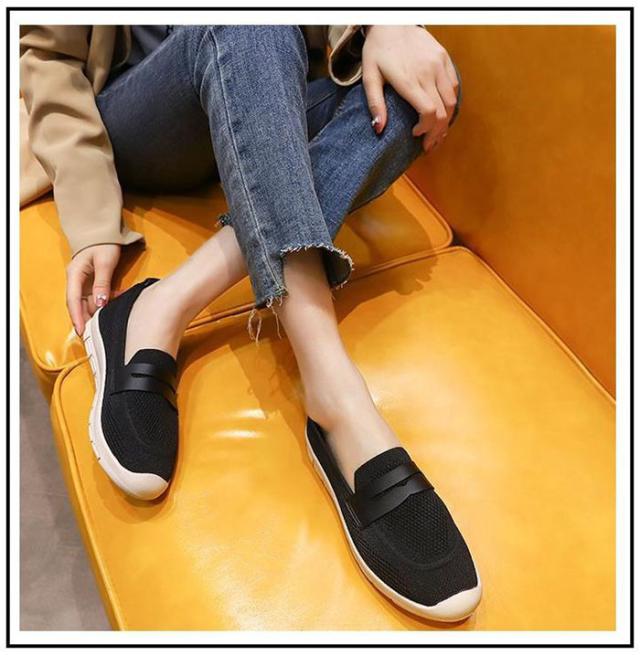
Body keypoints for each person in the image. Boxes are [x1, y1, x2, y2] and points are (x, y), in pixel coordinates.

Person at [20, 24, 481, 621]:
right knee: (245, 21)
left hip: (267, 92)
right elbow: (47, 58)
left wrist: (381, 23)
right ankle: (337, 395)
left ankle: (167, 302)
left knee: (425, 86)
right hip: (153, 116)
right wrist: (91, 219)